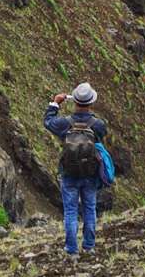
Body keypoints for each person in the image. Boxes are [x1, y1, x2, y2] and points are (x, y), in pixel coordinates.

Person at [43, 82, 114, 256]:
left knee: (70, 211)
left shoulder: (64, 123)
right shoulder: (98, 124)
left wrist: (55, 103)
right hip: (90, 173)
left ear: (74, 100)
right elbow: (102, 135)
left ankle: (71, 249)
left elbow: (48, 122)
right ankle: (89, 246)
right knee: (90, 208)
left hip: (69, 172)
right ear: (91, 102)